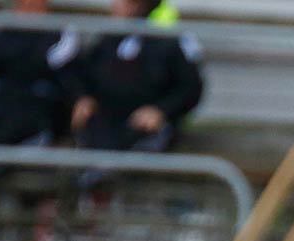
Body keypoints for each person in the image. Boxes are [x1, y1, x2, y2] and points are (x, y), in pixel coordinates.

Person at [0, 0, 79, 191]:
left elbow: (49, 66)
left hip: (36, 108)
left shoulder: (61, 31)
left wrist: (10, 55)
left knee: (20, 119)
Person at [65, 0, 202, 159]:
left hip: (142, 128)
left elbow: (190, 87)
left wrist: (161, 110)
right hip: (108, 121)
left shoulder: (166, 43)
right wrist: (82, 98)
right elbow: (86, 73)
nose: (115, 5)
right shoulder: (109, 41)